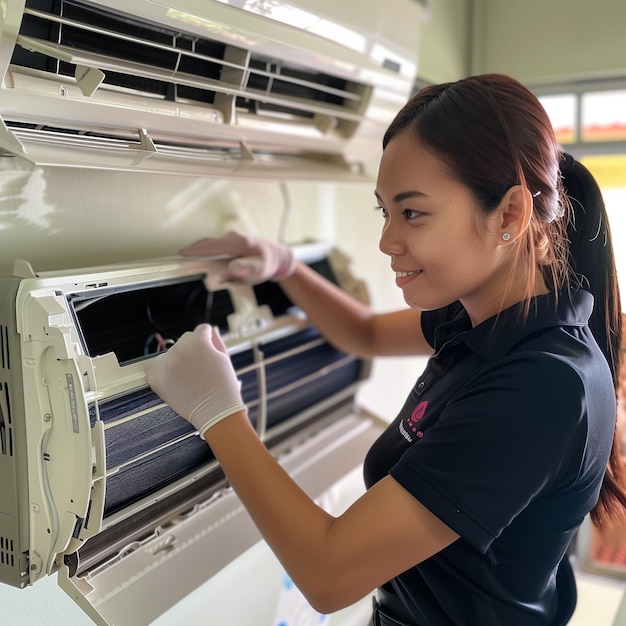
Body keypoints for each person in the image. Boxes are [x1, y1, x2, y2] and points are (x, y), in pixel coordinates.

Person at [145, 74, 626, 626]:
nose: (386, 241)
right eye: (384, 212)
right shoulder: (492, 314)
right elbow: (366, 334)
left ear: (511, 216)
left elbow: (329, 574)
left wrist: (219, 413)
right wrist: (286, 267)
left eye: (413, 212)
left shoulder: (541, 388)